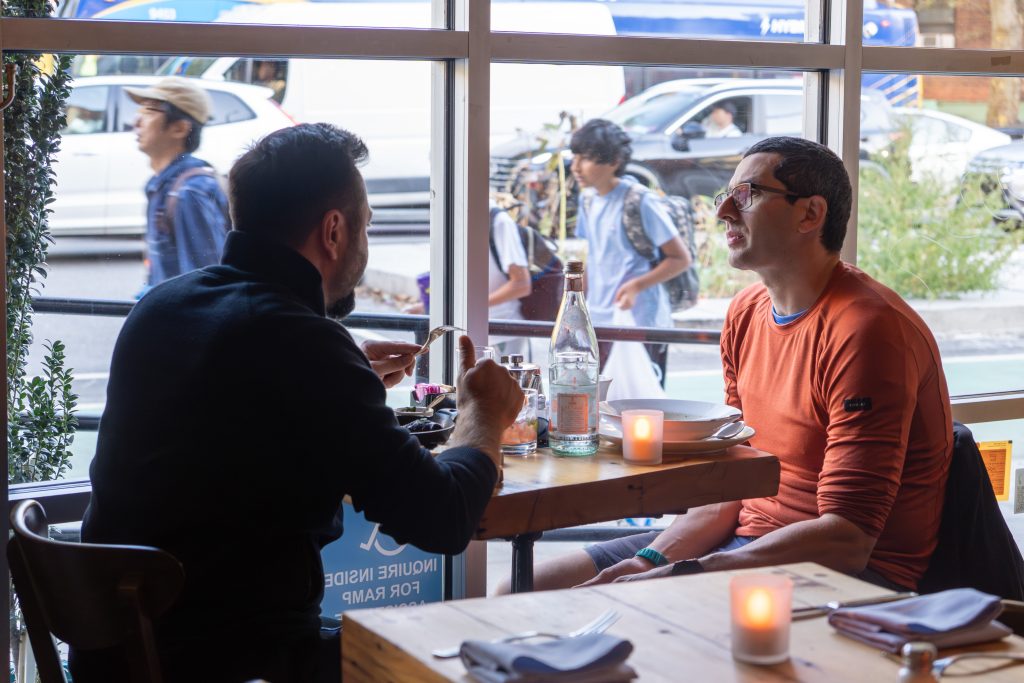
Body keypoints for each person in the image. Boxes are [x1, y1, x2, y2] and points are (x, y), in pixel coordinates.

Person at [74, 123, 524, 683]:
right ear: (334, 230)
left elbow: (233, 418)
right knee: (472, 661)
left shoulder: (164, 305)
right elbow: (444, 518)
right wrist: (485, 412)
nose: (365, 242)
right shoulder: (302, 342)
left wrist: (347, 376)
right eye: (367, 226)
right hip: (238, 664)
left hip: (116, 657)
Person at [506, 136, 952, 595]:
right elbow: (729, 490)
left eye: (748, 195)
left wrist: (688, 574)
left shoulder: (866, 329)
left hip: (846, 574)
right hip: (740, 543)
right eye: (726, 196)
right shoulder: (746, 312)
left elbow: (848, 539)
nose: (723, 213)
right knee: (518, 591)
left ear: (810, 214)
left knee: (610, 618)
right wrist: (652, 561)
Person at [569, 118, 691, 379]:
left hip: (640, 320)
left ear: (613, 161)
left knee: (641, 405)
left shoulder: (639, 200)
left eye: (586, 158)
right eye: (575, 156)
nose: (576, 166)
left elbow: (680, 258)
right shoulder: (588, 200)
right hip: (600, 319)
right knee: (602, 402)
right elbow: (595, 255)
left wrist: (637, 285)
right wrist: (579, 304)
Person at [126, 77, 229, 295]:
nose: (136, 121)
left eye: (150, 112)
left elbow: (207, 288)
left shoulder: (188, 193)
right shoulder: (163, 186)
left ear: (180, 128)